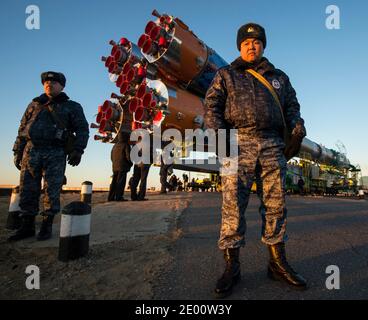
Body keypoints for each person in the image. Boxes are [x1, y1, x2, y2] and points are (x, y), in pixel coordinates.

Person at [204, 23, 307, 297]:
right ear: (239, 46)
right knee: (232, 207)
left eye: (258, 41)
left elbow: (292, 107)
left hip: (273, 145)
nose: (252, 45)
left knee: (275, 206)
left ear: (263, 45)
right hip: (237, 143)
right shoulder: (226, 75)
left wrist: (297, 126)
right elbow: (211, 106)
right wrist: (220, 139)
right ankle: (232, 267)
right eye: (247, 42)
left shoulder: (279, 78)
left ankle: (277, 264)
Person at [9, 71, 89, 241]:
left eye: (53, 82)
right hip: (31, 150)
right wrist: (17, 150)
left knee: (51, 189)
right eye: (46, 82)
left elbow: (82, 129)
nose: (48, 84)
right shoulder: (34, 104)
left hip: (55, 152)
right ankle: (27, 225)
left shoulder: (72, 106)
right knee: (27, 188)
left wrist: (78, 150)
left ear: (62, 86)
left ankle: (46, 225)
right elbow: (22, 128)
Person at [108, 131, 133, 201]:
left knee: (114, 182)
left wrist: (114, 163)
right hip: (123, 166)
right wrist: (130, 163)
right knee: (121, 182)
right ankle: (119, 197)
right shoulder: (126, 145)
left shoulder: (115, 146)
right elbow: (129, 156)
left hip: (115, 166)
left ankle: (110, 197)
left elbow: (111, 157)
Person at [130, 132, 154, 201]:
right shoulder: (147, 144)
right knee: (143, 180)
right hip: (145, 162)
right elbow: (151, 153)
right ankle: (141, 196)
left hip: (137, 163)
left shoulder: (135, 145)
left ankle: (133, 196)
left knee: (135, 179)